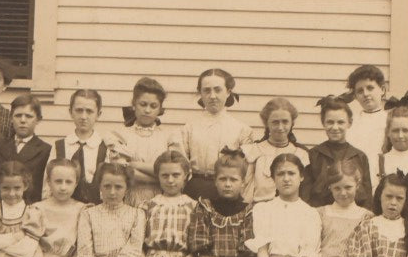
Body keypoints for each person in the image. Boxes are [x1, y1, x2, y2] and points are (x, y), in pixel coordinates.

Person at [242, 154, 321, 257]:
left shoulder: (310, 214)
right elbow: (262, 252)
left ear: (301, 177)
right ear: (273, 178)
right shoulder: (263, 209)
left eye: (291, 173)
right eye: (280, 174)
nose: (286, 179)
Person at [122, 150, 196, 257]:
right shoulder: (147, 206)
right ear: (158, 177)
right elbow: (136, 243)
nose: (170, 180)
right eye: (165, 175)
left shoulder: (194, 207)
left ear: (186, 176)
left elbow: (197, 249)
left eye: (176, 175)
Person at [187, 149, 256, 257]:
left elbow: (249, 250)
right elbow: (199, 243)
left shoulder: (249, 211)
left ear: (243, 183)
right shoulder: (205, 206)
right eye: (222, 179)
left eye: (233, 179)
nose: (227, 184)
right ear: (215, 181)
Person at [74, 162, 145, 257]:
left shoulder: (136, 214)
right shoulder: (88, 214)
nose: (112, 192)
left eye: (118, 187)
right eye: (107, 186)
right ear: (100, 186)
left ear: (127, 189)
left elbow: (133, 250)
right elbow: (84, 251)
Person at [180, 68, 255, 200]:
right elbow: (181, 166)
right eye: (207, 90)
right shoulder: (189, 128)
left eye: (218, 90)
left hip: (228, 192)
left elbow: (247, 172)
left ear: (228, 92)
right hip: (195, 190)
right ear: (200, 94)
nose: (212, 96)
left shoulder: (242, 130)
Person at [107, 77, 181, 207]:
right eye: (143, 104)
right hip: (128, 200)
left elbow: (175, 172)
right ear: (134, 104)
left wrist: (135, 165)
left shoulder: (169, 137)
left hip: (162, 201)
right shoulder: (120, 135)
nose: (147, 110)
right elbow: (121, 172)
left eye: (153, 106)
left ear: (160, 109)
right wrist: (161, 177)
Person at [29, 159, 85, 257]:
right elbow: (32, 242)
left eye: (68, 182)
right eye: (58, 181)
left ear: (76, 183)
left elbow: (85, 245)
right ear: (48, 181)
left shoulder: (82, 210)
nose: (63, 187)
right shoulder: (38, 209)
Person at [42, 88, 109, 204]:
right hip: (62, 211)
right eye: (79, 110)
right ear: (70, 112)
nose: (83, 116)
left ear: (98, 114)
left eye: (89, 111)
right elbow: (47, 187)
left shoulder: (105, 148)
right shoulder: (59, 146)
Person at [306, 95, 372, 208]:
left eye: (340, 122)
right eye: (330, 122)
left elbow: (367, 198)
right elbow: (305, 196)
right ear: (323, 123)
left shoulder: (359, 157)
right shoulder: (314, 155)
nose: (335, 127)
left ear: (349, 123)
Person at [0, 92, 51, 204]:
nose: (23, 120)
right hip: (1, 206)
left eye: (29, 116)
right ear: (11, 118)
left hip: (30, 207)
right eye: (18, 115)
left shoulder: (45, 150)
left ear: (38, 120)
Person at [242, 97, 310, 203]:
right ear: (266, 123)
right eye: (275, 122)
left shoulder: (301, 154)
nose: (280, 127)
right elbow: (246, 191)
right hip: (260, 210)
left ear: (292, 123)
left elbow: (305, 193)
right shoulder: (253, 151)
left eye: (285, 122)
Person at [316, 161, 372, 257]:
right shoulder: (320, 214)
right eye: (337, 188)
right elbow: (314, 250)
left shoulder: (366, 216)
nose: (343, 193)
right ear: (330, 187)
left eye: (348, 187)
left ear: (357, 185)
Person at [342, 64, 391, 179]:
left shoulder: (390, 121)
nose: (365, 94)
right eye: (360, 91)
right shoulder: (351, 124)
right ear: (355, 96)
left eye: (370, 88)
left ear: (382, 90)